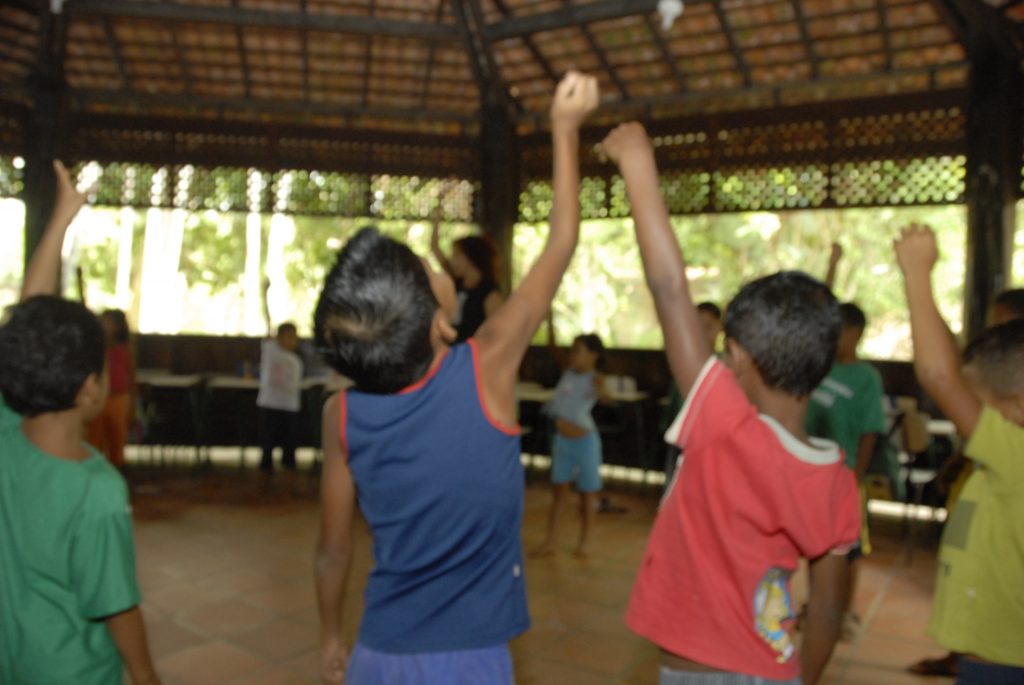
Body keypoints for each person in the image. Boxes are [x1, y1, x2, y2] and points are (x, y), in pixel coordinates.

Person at [312, 71, 598, 684]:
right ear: (442, 324)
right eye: (425, 269)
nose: (437, 266)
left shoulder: (341, 415)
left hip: (378, 653)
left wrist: (333, 636)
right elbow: (562, 241)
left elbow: (334, 548)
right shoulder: (486, 368)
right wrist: (564, 129)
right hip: (470, 659)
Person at [602, 122, 860, 685]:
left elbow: (669, 285)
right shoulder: (838, 481)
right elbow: (830, 610)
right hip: (775, 671)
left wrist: (637, 160)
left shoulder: (724, 422)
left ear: (737, 357)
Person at [0, 161, 160, 684]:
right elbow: (117, 606)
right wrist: (145, 675)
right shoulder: (97, 490)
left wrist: (61, 221)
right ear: (91, 387)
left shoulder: (6, 435)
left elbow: (28, 323)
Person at [895, 225, 1024, 684]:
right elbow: (953, 367)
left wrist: (916, 273)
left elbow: (939, 376)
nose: (968, 417)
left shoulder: (1018, 451)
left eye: (981, 408)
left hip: (1004, 664)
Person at [804, 300, 886, 640]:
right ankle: (816, 603)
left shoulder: (866, 378)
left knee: (848, 546)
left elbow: (870, 429)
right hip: (811, 470)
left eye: (840, 331)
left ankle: (845, 610)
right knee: (814, 543)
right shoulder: (819, 367)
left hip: (845, 470)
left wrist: (857, 476)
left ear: (855, 334)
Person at [533, 331, 608, 558]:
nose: (573, 356)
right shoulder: (567, 373)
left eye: (578, 351)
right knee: (560, 493)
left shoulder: (596, 379)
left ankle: (584, 542)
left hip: (585, 442)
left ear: (593, 355)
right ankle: (550, 541)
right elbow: (553, 346)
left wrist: (601, 387)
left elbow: (607, 398)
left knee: (587, 493)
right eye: (572, 351)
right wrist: (550, 322)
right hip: (562, 442)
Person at [659, 301, 722, 490]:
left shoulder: (725, 368)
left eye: (709, 327)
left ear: (720, 329)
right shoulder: (682, 365)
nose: (702, 333)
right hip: (680, 442)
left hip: (711, 445)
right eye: (696, 326)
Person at [430, 216, 504, 341]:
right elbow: (434, 247)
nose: (452, 261)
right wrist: (437, 215)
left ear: (469, 258)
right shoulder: (456, 282)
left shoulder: (489, 294)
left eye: (456, 256)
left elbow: (497, 334)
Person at [256, 291, 303, 471]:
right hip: (270, 404)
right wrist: (265, 295)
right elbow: (267, 321)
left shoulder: (296, 361)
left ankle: (289, 471)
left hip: (290, 406)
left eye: (294, 337)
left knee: (290, 443)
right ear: (279, 337)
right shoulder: (271, 351)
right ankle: (265, 471)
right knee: (267, 442)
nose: (292, 340)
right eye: (288, 336)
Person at [86, 308, 136, 469]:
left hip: (119, 398)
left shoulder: (125, 348)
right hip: (98, 398)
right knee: (94, 439)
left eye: (109, 323)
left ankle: (117, 468)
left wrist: (133, 401)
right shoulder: (96, 348)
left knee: (117, 437)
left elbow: (131, 374)